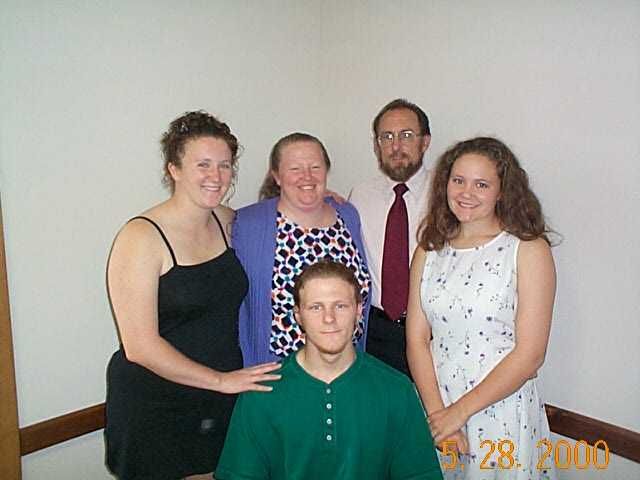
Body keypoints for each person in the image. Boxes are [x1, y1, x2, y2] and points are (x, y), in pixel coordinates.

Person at [105, 111, 281, 480]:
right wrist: (221, 380)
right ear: (174, 169)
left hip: (218, 398)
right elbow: (140, 347)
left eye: (224, 165)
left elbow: (278, 218)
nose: (216, 176)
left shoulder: (225, 219)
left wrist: (322, 198)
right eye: (203, 164)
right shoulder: (140, 238)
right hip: (158, 403)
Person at [406, 137, 557, 479]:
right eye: (458, 180)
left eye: (482, 184)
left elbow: (531, 354)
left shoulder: (528, 250)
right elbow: (416, 340)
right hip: (437, 404)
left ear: (503, 191)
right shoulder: (428, 251)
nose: (466, 193)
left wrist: (459, 412)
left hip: (499, 408)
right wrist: (439, 417)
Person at [216, 260, 443, 480]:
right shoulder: (260, 394)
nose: (329, 318)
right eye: (316, 307)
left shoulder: (396, 390)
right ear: (298, 315)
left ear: (359, 311)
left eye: (340, 306)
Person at [233, 132, 371, 366]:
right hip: (278, 371)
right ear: (276, 176)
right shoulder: (247, 224)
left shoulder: (348, 215)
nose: (307, 176)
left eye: (315, 167)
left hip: (346, 366)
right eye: (295, 168)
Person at [349, 98, 432, 377]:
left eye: (406, 135)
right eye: (387, 137)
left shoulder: (449, 195)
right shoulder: (360, 195)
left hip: (432, 330)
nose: (396, 146)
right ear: (376, 146)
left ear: (425, 142)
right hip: (376, 332)